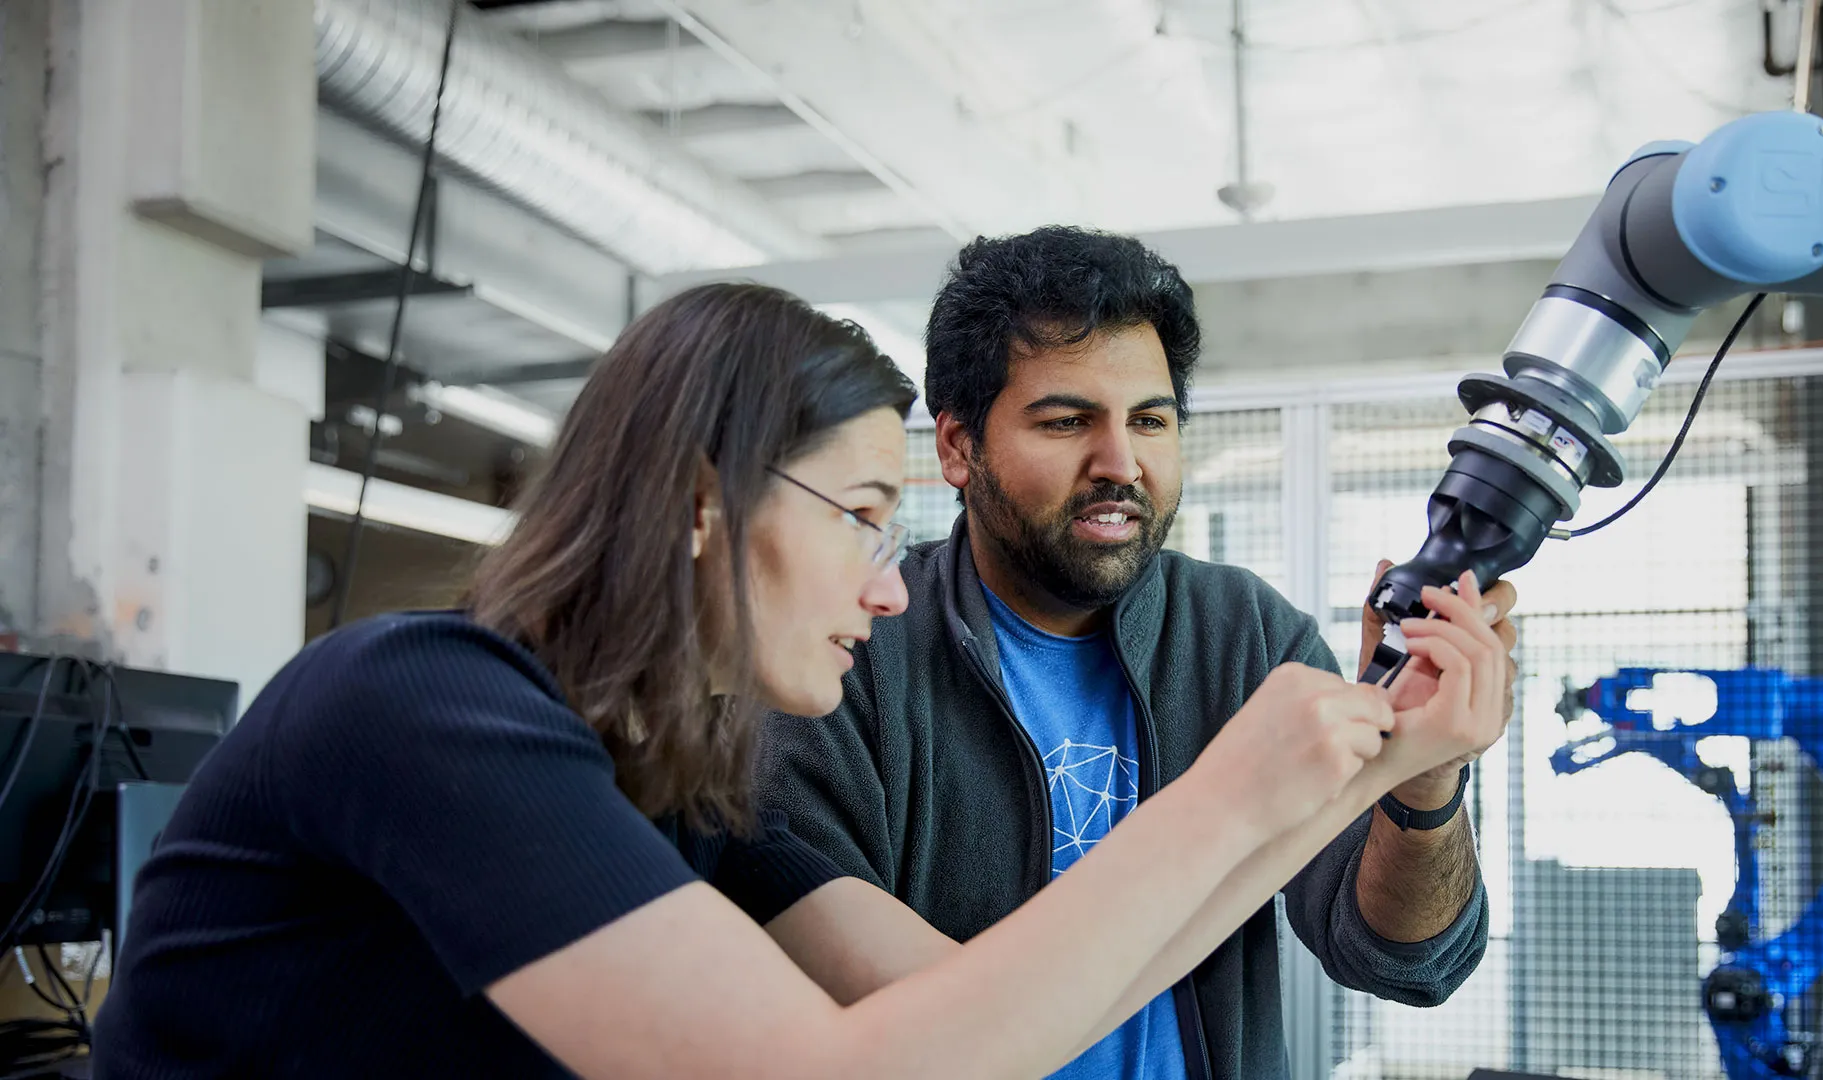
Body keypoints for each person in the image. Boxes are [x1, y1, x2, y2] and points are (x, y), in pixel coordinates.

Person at [92, 284, 1506, 1079]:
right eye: (860, 517)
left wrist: (1379, 765)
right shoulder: (424, 708)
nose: (891, 587)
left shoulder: (675, 789)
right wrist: (1222, 799)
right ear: (706, 507)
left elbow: (984, 1016)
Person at [755, 227, 1520, 1080]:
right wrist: (1232, 802)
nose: (1120, 462)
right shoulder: (842, 659)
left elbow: (1403, 962)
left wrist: (1420, 780)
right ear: (958, 447)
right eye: (1067, 420)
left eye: (1150, 421)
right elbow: (903, 1026)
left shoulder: (1246, 637)